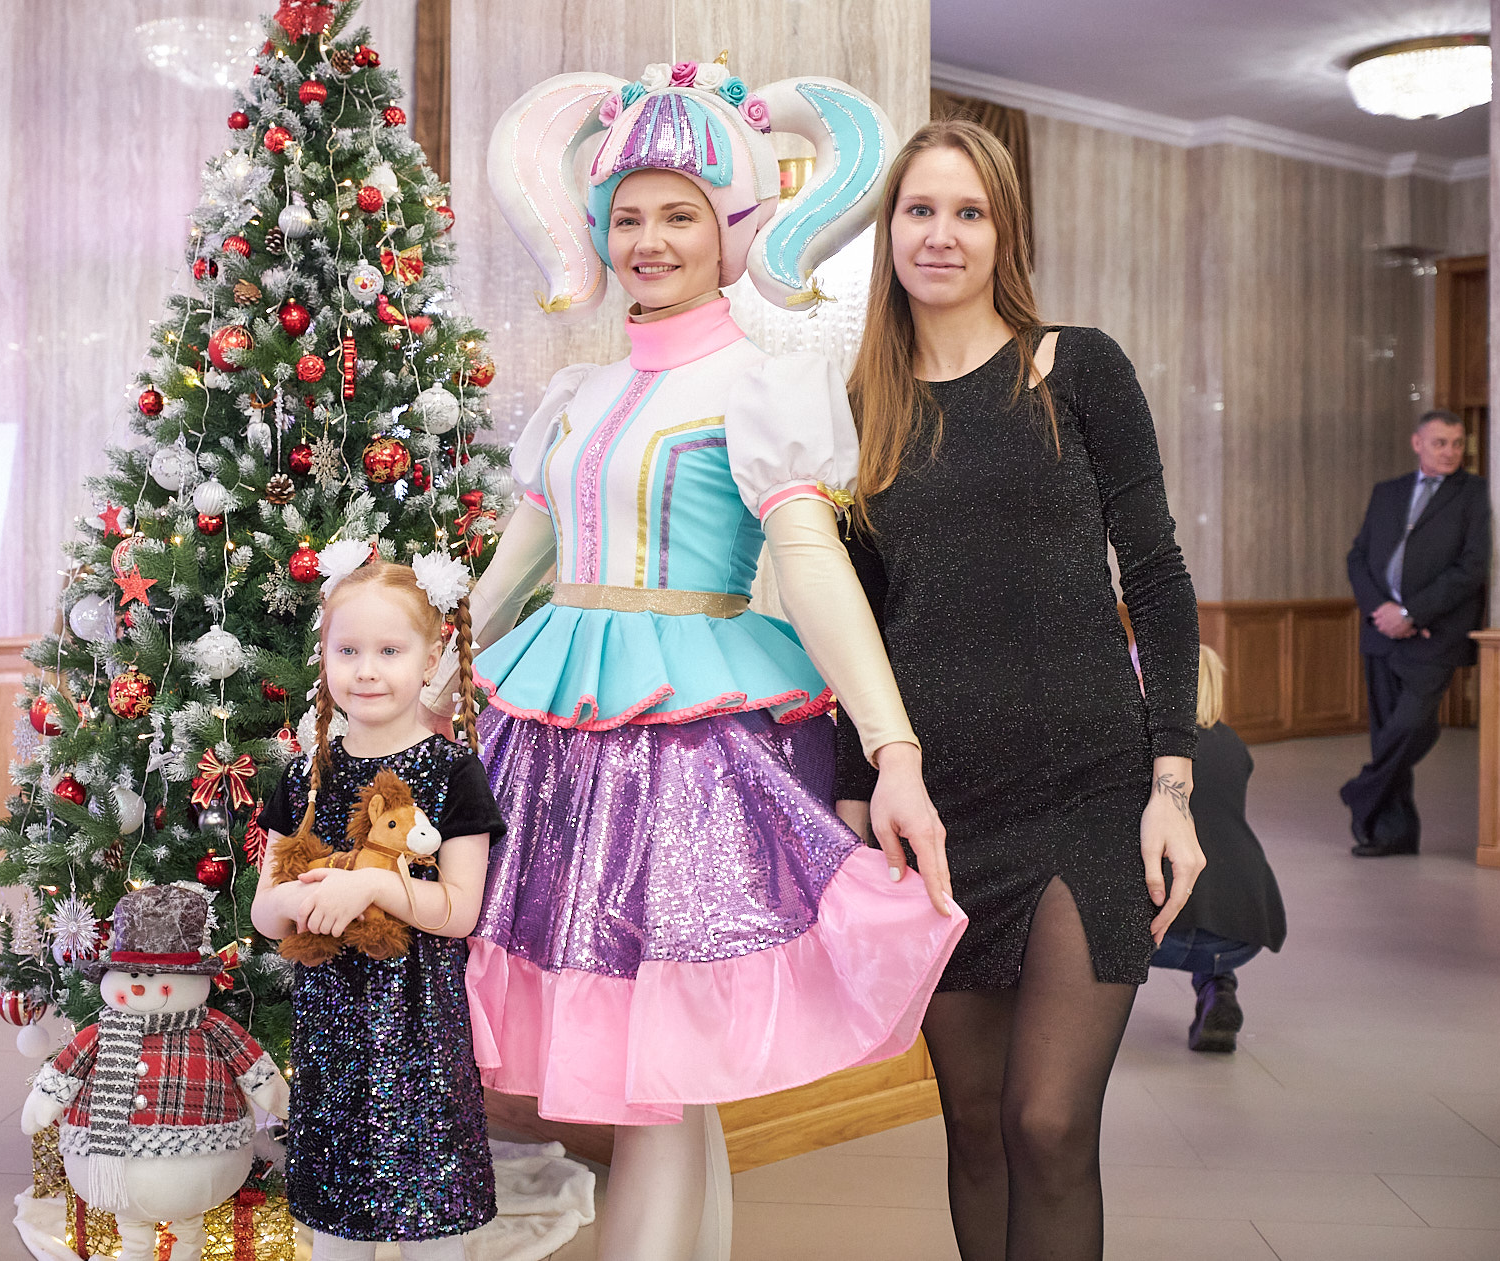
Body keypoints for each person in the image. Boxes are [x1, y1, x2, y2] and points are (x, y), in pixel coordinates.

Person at [457, 62, 966, 1261]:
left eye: (678, 214)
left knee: (662, 1063)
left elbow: (815, 568)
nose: (649, 240)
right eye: (627, 216)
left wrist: (891, 746)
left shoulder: (759, 382)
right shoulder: (578, 393)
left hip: (684, 748)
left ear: (731, 228)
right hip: (552, 741)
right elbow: (507, 574)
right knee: (647, 1071)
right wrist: (419, 679)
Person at [832, 117, 1204, 1261]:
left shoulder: (1073, 368)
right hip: (939, 809)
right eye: (918, 210)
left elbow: (1155, 574)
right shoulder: (858, 408)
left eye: (968, 212)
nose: (940, 234)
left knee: (1045, 1125)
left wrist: (1171, 786)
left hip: (1087, 791)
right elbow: (847, 625)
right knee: (973, 1127)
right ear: (888, 231)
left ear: (1003, 234)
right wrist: (856, 786)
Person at [251, 559, 502, 1261]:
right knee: (337, 1226)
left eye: (389, 651)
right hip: (331, 1040)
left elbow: (460, 910)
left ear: (430, 660)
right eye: (348, 650)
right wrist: (308, 894)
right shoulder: (303, 777)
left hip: (422, 1037)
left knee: (431, 1223)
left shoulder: (454, 773)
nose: (366, 670)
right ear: (324, 657)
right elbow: (266, 913)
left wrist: (370, 886)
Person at [1342, 409, 1489, 857]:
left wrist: (1412, 613)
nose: (1450, 451)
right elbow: (1358, 557)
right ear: (1418, 443)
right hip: (1381, 631)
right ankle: (1394, 834)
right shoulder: (1388, 492)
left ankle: (1361, 789)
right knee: (1387, 729)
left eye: (1458, 443)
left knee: (1411, 726)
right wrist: (1381, 611)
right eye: (1440, 442)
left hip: (1435, 634)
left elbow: (1472, 568)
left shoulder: (1475, 494)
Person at [1148, 645, 1286, 1053]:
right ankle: (1219, 991)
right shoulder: (1234, 746)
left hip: (1161, 931)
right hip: (1240, 930)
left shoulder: (1149, 748)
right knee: (1211, 935)